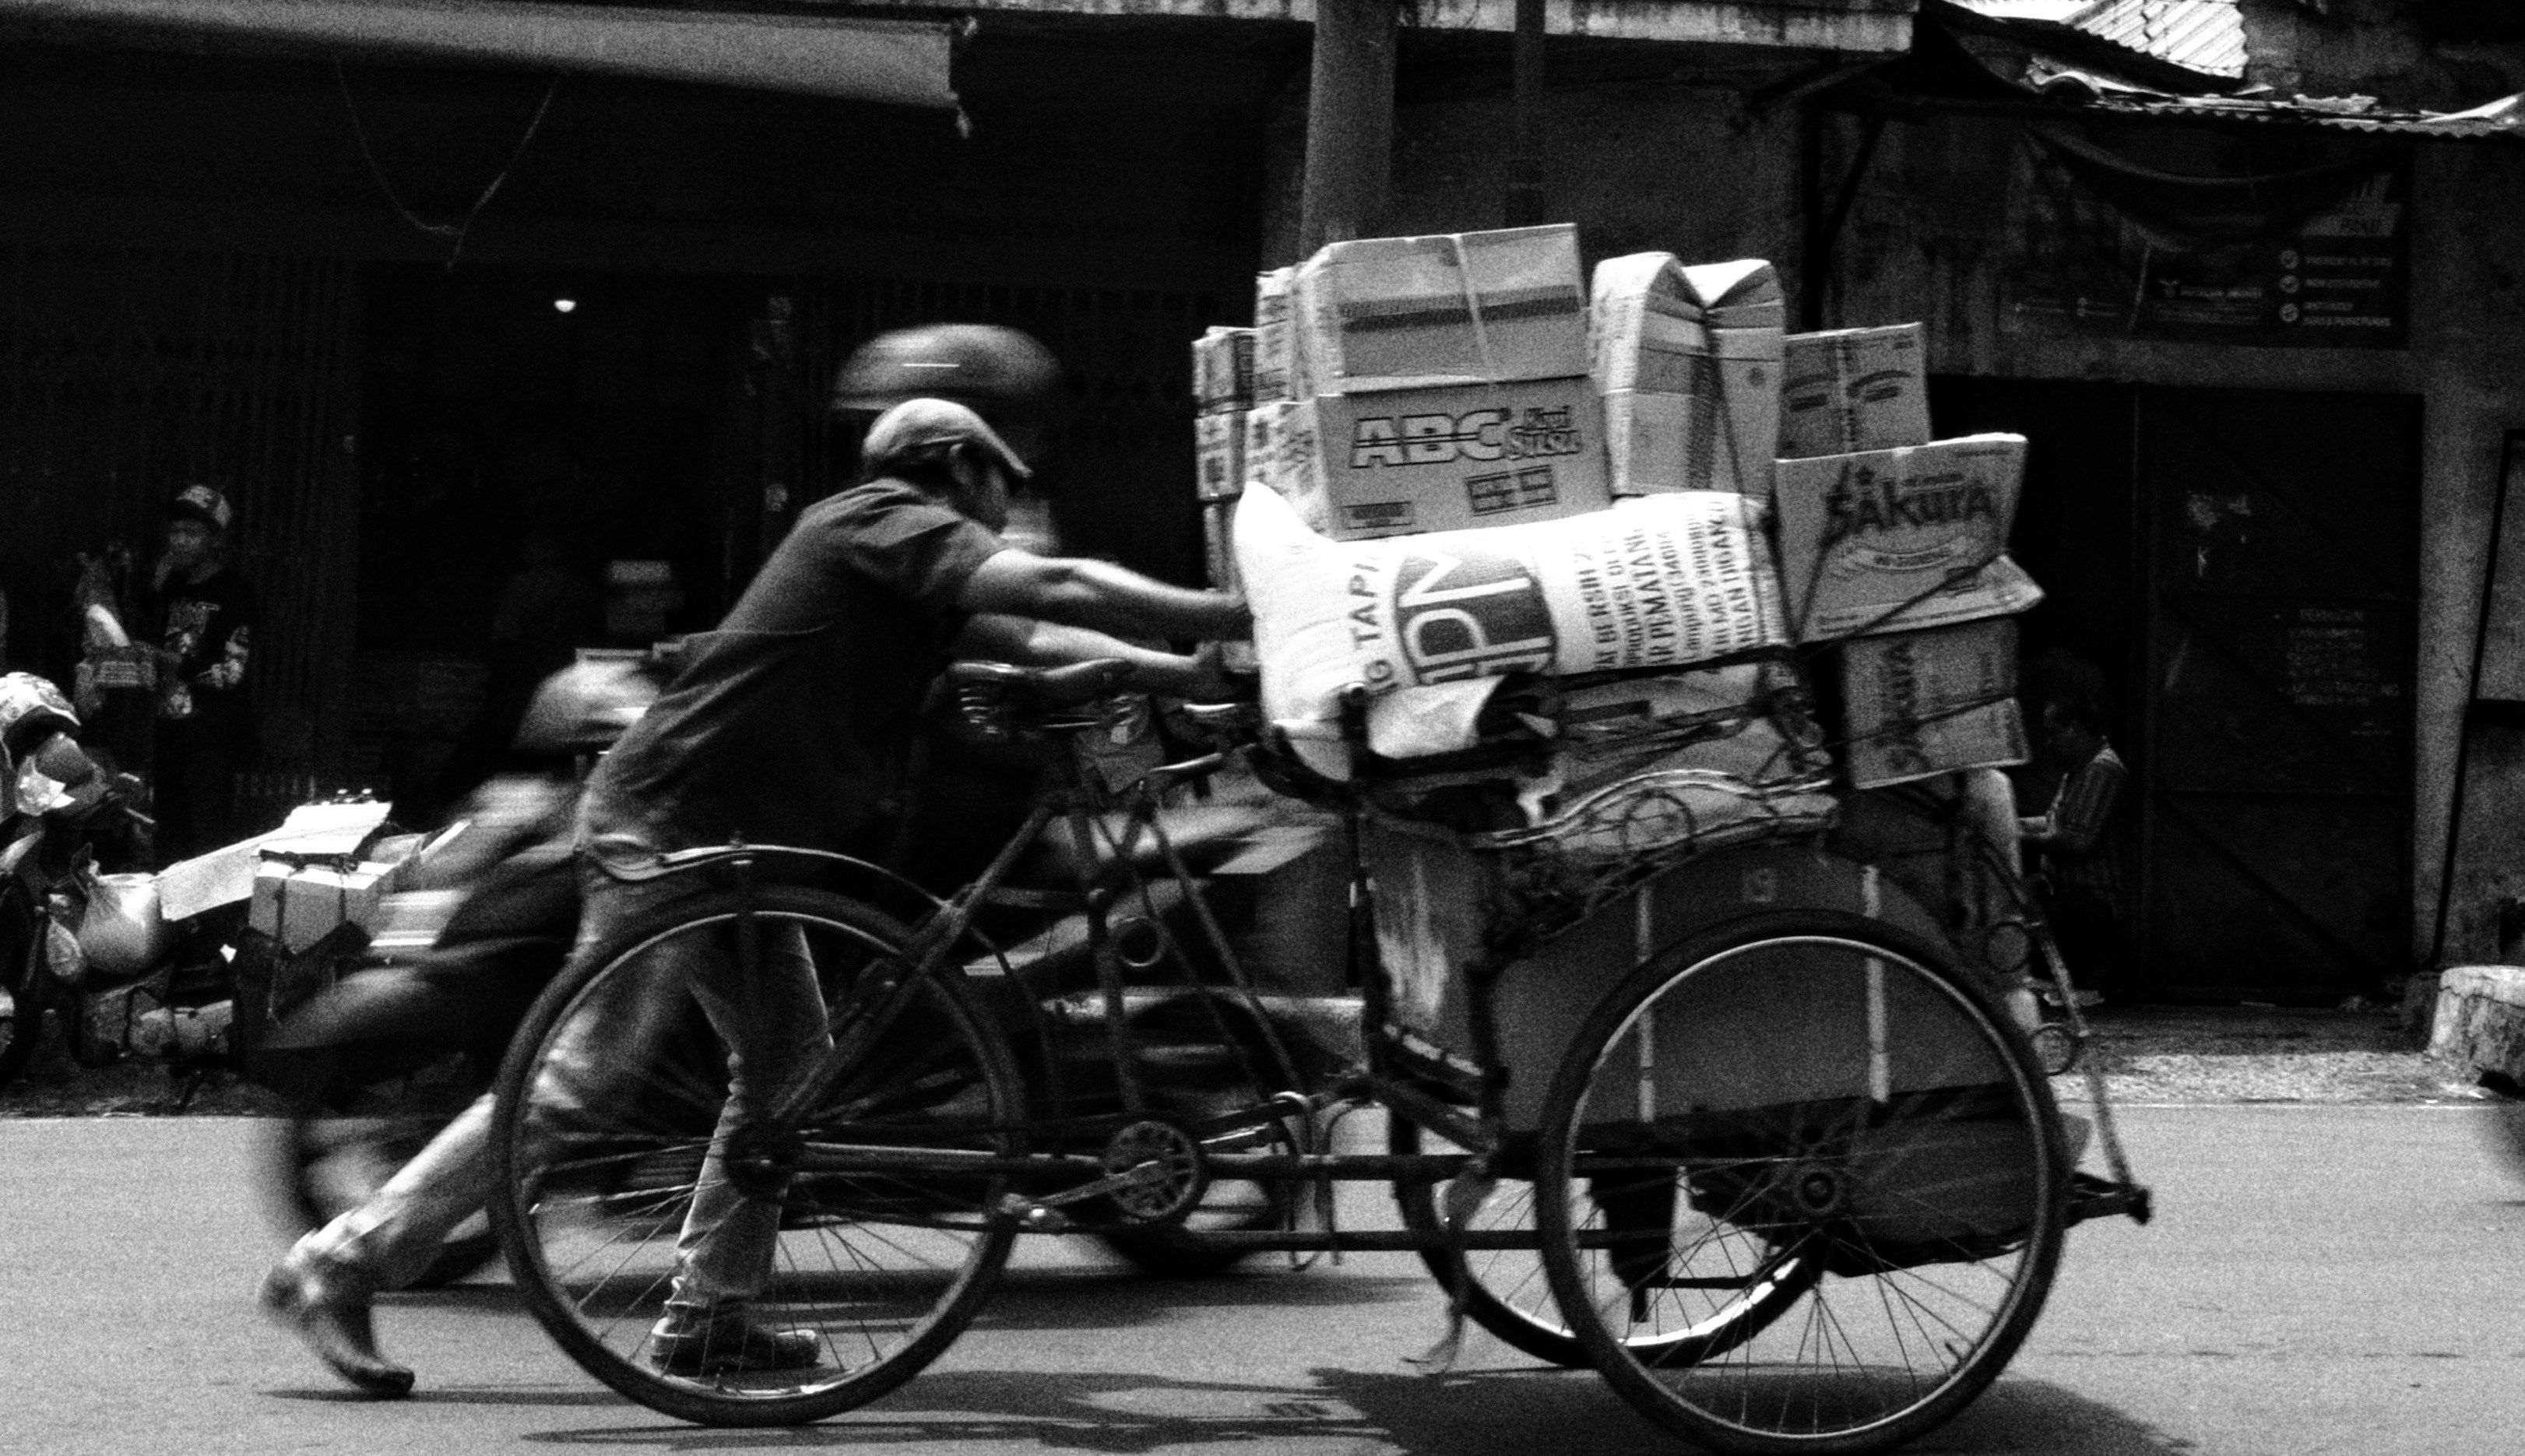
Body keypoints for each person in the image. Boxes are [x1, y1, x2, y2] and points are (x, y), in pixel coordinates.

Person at [258, 397, 1250, 1396]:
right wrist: (1227, 610)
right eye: (1005, 478)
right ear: (954, 464)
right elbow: (1062, 583)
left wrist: (1192, 673)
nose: (1012, 500)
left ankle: (708, 1318)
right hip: (675, 825)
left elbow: (1033, 649)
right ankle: (340, 1258)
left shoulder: (914, 574)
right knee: (583, 1082)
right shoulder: (880, 519)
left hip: (743, 849)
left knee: (786, 1064)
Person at [145, 485, 260, 864]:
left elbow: (231, 673)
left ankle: (214, 924)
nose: (179, 541)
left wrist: (168, 661)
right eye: (176, 531)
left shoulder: (235, 591)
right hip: (169, 733)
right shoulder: (171, 586)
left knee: (207, 846)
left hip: (210, 738)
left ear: (215, 540)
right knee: (168, 843)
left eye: (191, 533)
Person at [2020, 691, 2129, 1004]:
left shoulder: (2101, 769)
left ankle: (2081, 981)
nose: (2050, 742)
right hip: (2073, 893)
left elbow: (2077, 840)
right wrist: (2012, 823)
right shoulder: (2079, 769)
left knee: (2015, 911)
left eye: (2054, 732)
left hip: (2093, 899)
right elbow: (2055, 822)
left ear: (2075, 729)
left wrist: (2019, 836)